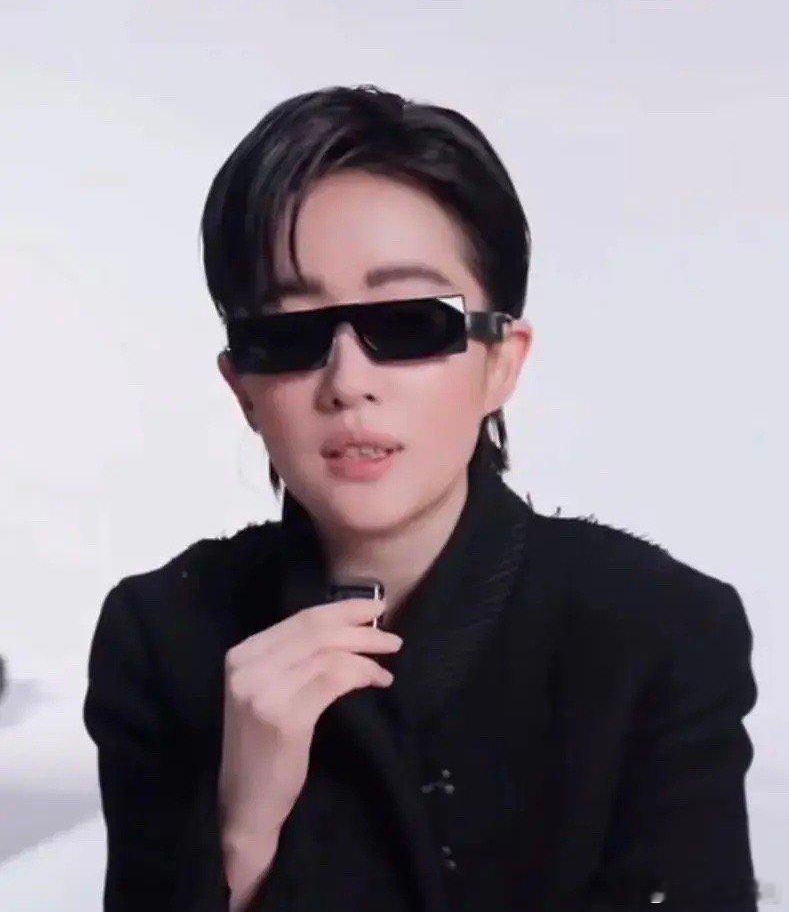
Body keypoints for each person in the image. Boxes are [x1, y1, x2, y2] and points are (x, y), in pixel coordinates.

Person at [82, 84, 759, 911]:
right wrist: (241, 828)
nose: (347, 381)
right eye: (290, 334)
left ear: (500, 361)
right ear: (242, 389)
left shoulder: (657, 632)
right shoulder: (161, 637)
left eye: (408, 323)